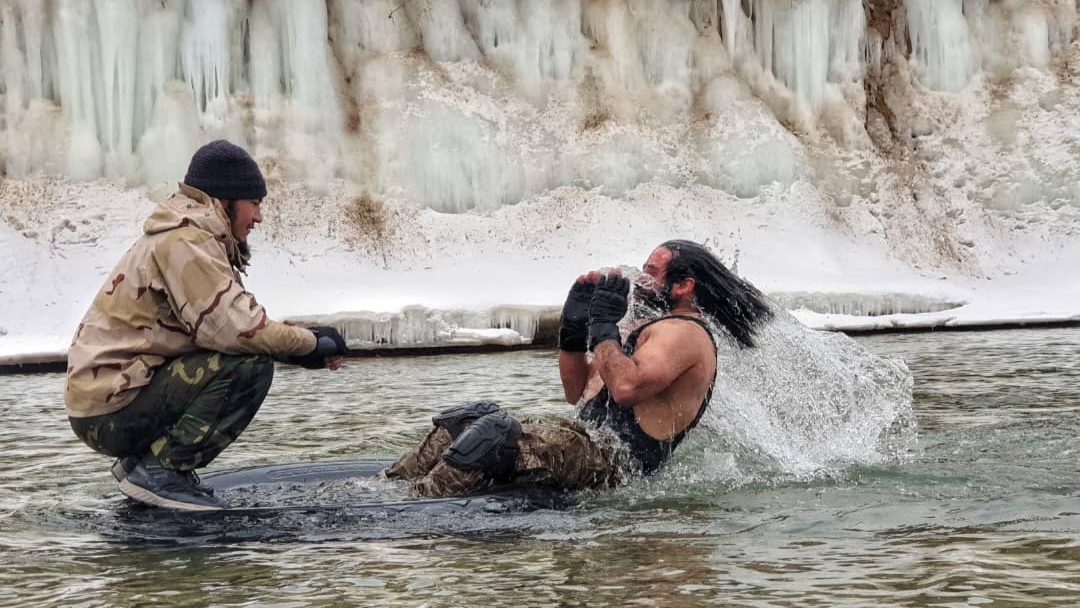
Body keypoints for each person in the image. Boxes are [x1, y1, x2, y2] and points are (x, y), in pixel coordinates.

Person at [64, 140, 348, 511]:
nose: (258, 217)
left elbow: (227, 326)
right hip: (110, 413)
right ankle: (161, 470)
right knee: (249, 366)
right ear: (226, 200)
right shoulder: (187, 241)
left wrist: (304, 349)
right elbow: (240, 331)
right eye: (255, 203)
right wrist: (310, 344)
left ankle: (143, 467)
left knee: (240, 356)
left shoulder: (188, 235)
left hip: (108, 403)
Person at [385, 239, 773, 497]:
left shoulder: (684, 334)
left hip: (614, 463)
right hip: (581, 442)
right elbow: (579, 391)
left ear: (684, 285)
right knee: (468, 420)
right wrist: (573, 331)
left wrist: (603, 327)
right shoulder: (641, 327)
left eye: (652, 272)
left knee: (493, 433)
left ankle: (417, 505)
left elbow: (625, 389)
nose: (640, 280)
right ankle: (386, 488)